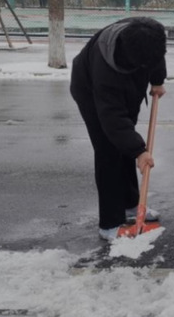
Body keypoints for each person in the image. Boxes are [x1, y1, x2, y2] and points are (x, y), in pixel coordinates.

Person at [70, 17, 167, 242]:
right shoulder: (105, 70)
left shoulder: (148, 34)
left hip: (128, 84)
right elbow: (113, 119)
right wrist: (140, 151)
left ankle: (131, 204)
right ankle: (109, 223)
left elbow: (156, 56)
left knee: (125, 145)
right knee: (108, 150)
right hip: (90, 91)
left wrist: (157, 79)